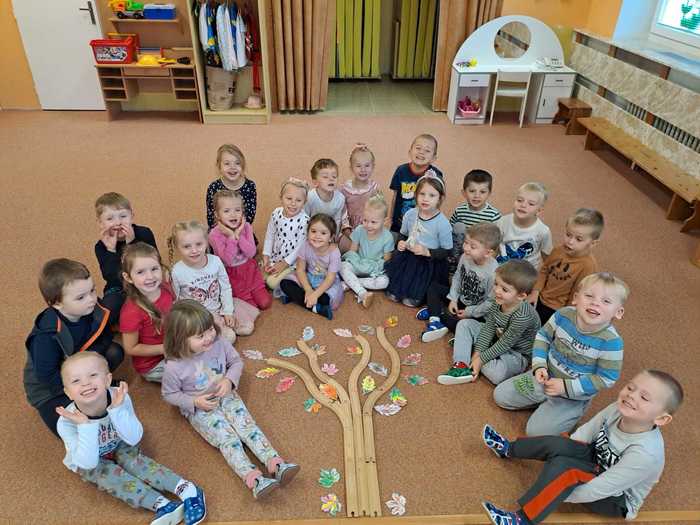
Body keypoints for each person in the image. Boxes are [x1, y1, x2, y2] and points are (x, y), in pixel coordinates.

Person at [480, 369, 684, 525]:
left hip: (616, 498)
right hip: (597, 459)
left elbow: (602, 488)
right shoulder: (618, 408)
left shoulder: (646, 454)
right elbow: (589, 431)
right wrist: (564, 448)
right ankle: (508, 449)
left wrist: (556, 491)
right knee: (556, 443)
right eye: (631, 388)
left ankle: (522, 519)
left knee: (564, 469)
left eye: (644, 397)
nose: (632, 395)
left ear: (661, 419)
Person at [161, 300, 300, 500]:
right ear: (180, 339)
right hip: (201, 408)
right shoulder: (174, 367)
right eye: (200, 336)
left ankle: (276, 463)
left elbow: (236, 363)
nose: (209, 337)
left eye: (210, 329)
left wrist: (229, 380)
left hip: (227, 395)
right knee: (228, 439)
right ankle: (254, 479)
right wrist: (194, 402)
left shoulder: (219, 343)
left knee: (248, 427)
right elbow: (169, 394)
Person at [56, 352, 207, 525]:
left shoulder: (119, 397)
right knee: (104, 475)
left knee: (135, 461)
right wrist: (85, 426)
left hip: (120, 443)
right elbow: (87, 463)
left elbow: (134, 438)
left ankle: (188, 490)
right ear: (68, 393)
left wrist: (116, 410)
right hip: (89, 458)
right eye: (76, 381)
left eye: (92, 375)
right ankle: (162, 504)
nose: (85, 383)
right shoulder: (66, 423)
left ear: (107, 380)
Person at [494, 272, 628, 436]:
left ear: (618, 312)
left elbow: (606, 378)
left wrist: (565, 387)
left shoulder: (612, 343)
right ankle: (541, 402)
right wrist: (539, 366)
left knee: (535, 433)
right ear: (576, 298)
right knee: (500, 396)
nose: (595, 303)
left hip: (572, 396)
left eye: (606, 301)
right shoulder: (563, 314)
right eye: (589, 296)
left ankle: (571, 411)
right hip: (544, 377)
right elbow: (543, 337)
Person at [23, 258, 123, 436]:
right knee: (68, 428)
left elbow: (106, 335)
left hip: (78, 365)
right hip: (50, 391)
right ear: (57, 303)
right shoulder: (46, 336)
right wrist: (78, 392)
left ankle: (94, 383)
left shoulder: (92, 308)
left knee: (115, 352)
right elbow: (47, 376)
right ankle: (90, 387)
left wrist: (88, 366)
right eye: (81, 297)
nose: (91, 299)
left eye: (92, 290)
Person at [437, 260, 540, 386]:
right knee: (464, 325)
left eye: (504, 289)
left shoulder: (523, 316)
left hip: (516, 353)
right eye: (496, 284)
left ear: (521, 296)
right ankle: (461, 364)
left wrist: (480, 360)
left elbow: (505, 344)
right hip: (497, 338)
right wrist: (477, 355)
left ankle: (467, 347)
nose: (497, 291)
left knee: (496, 374)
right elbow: (489, 328)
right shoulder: (498, 301)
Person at [168, 220, 259, 342]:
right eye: (187, 246)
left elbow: (225, 287)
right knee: (230, 337)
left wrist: (227, 311)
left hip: (219, 305)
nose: (194, 250)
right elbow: (177, 301)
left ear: (206, 242)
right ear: (177, 247)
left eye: (198, 244)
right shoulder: (177, 272)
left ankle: (226, 322)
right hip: (199, 315)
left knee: (247, 328)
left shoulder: (215, 261)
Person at [419, 222, 501, 342]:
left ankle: (436, 312)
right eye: (466, 242)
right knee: (433, 287)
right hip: (460, 299)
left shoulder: (493, 273)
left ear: (488, 253)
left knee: (464, 326)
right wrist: (453, 298)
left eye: (473, 247)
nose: (466, 248)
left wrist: (469, 312)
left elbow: (490, 303)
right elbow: (458, 276)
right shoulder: (465, 256)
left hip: (476, 310)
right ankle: (435, 320)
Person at [385, 173, 452, 307]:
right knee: (397, 283)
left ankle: (415, 296)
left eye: (432, 195)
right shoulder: (410, 214)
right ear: (415, 195)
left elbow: (447, 251)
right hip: (409, 256)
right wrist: (400, 242)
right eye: (422, 194)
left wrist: (427, 252)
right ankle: (399, 290)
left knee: (417, 288)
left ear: (440, 198)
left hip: (429, 261)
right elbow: (403, 234)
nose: (426, 199)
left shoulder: (442, 223)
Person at [93, 192, 158, 323]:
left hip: (147, 282)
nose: (118, 222)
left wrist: (131, 244)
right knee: (108, 311)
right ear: (100, 223)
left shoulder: (144, 233)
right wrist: (111, 250)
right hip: (119, 288)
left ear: (132, 216)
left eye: (123, 216)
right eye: (110, 219)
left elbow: (154, 263)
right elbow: (112, 277)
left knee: (164, 300)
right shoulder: (101, 246)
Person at [530, 208, 602, 324]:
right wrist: (535, 291)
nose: (570, 241)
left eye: (578, 239)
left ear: (592, 243)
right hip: (539, 297)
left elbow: (578, 293)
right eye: (568, 235)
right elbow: (544, 270)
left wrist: (567, 314)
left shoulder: (588, 266)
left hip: (557, 309)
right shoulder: (558, 250)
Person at [208, 189, 271, 310]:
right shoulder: (214, 234)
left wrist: (239, 235)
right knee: (251, 307)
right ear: (217, 215)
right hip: (232, 275)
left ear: (242, 212)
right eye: (226, 211)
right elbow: (227, 260)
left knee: (265, 303)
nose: (233, 215)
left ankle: (256, 289)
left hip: (249, 271)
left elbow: (251, 253)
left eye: (237, 210)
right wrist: (231, 237)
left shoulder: (246, 227)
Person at [120, 243, 173, 382]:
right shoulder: (131, 312)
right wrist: (164, 348)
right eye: (140, 272)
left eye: (154, 269)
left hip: (174, 347)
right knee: (193, 373)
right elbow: (131, 348)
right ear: (128, 277)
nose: (150, 276)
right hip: (152, 365)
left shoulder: (166, 288)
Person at [280, 214, 344, 320]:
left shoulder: (334, 253)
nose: (317, 236)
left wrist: (315, 295)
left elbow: (330, 278)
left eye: (323, 233)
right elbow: (300, 270)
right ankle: (316, 308)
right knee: (285, 283)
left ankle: (297, 298)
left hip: (326, 282)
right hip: (308, 277)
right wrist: (308, 290)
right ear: (308, 232)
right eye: (313, 231)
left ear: (331, 237)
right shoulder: (305, 246)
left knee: (326, 299)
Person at [339, 194, 394, 308]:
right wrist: (353, 263)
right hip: (359, 263)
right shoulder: (360, 230)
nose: (368, 225)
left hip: (374, 269)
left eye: (373, 222)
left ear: (384, 221)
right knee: (343, 266)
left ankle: (351, 283)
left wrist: (377, 269)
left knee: (384, 282)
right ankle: (362, 292)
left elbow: (386, 260)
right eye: (365, 220)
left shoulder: (388, 237)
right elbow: (353, 251)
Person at [262, 178, 310, 293]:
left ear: (304, 202)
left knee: (272, 283)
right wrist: (266, 256)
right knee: (260, 275)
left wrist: (285, 263)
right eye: (289, 198)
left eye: (298, 200)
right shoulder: (276, 213)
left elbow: (301, 247)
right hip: (276, 255)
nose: (293, 203)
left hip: (293, 261)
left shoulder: (305, 221)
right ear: (281, 197)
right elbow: (270, 235)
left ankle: (294, 277)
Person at [389, 133, 443, 234]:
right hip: (399, 223)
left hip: (423, 225)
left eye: (427, 150)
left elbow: (438, 200)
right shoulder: (401, 170)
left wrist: (434, 221)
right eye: (418, 148)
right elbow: (395, 196)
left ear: (433, 158)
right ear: (410, 152)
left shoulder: (435, 174)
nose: (421, 152)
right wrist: (390, 218)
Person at [448, 169, 501, 272]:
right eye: (472, 191)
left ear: (489, 193)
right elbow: (451, 230)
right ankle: (454, 261)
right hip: (463, 248)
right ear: (464, 193)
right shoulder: (460, 210)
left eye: (482, 192)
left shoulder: (493, 215)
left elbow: (496, 242)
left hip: (480, 252)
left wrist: (490, 258)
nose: (477, 196)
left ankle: (477, 265)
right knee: (458, 226)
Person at [496, 182, 552, 270]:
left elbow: (546, 255)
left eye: (531, 204)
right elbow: (495, 246)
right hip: (502, 267)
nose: (523, 205)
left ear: (539, 211)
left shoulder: (543, 231)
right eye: (519, 200)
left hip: (527, 272)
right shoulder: (502, 221)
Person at [205, 144, 257, 231]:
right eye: (227, 163)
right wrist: (227, 232)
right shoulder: (213, 187)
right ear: (219, 166)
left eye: (237, 163)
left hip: (242, 230)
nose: (232, 167)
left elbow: (249, 217)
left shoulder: (250, 186)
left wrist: (237, 232)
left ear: (243, 165)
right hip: (220, 232)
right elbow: (211, 218)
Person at [305, 158, 351, 252]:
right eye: (325, 177)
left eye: (334, 176)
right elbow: (304, 218)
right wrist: (308, 237)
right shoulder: (310, 197)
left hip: (330, 234)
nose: (331, 179)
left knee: (350, 245)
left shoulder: (340, 198)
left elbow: (338, 220)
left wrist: (334, 238)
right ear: (315, 182)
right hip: (314, 233)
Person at [340, 143, 380, 230]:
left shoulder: (374, 188)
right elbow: (342, 213)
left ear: (373, 167)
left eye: (367, 165)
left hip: (369, 229)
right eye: (358, 166)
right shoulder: (345, 189)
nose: (363, 170)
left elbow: (379, 212)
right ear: (351, 167)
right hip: (349, 229)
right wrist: (348, 231)